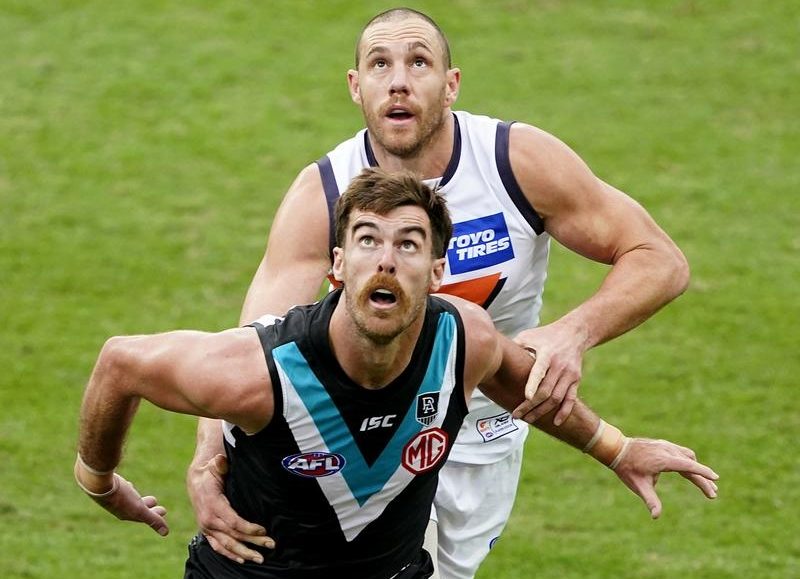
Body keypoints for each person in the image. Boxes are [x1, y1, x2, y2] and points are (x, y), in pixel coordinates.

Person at [187, 7, 693, 578]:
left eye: (419, 62)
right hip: (368, 435)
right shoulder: (323, 195)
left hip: (488, 429)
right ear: (356, 87)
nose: (398, 82)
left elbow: (660, 261)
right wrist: (209, 458)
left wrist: (573, 333)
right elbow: (248, 346)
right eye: (380, 64)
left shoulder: (515, 163)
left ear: (451, 84)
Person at [75, 168, 718, 579]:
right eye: (367, 240)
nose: (386, 260)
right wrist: (100, 482)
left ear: (437, 272)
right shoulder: (259, 371)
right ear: (337, 265)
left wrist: (617, 449)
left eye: (408, 243)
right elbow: (120, 362)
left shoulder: (464, 339)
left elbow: (520, 385)